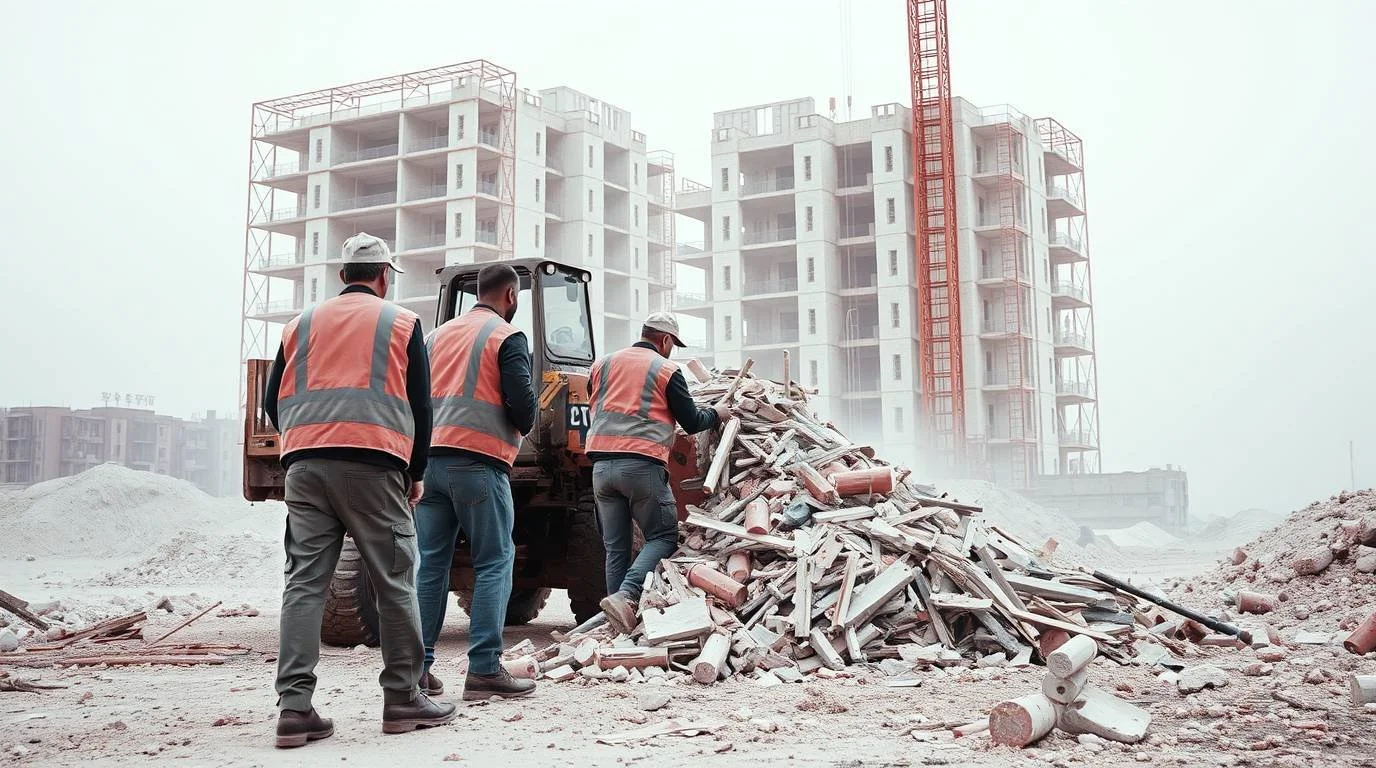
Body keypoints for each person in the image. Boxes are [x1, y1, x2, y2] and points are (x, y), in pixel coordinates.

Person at [264, 232, 456, 748]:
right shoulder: (400, 321)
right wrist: (416, 472)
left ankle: (294, 709)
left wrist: (305, 439)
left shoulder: (299, 324)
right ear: (384, 276)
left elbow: (270, 400)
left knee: (304, 584)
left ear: (343, 275)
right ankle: (401, 698)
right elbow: (421, 406)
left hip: (304, 466)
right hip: (373, 464)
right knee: (395, 580)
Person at [415, 263, 538, 701]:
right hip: (480, 463)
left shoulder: (436, 336)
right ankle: (484, 669)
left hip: (430, 464)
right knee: (493, 562)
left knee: (430, 566)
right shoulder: (507, 336)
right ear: (510, 295)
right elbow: (523, 405)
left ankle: (419, 670)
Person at [586, 312, 730, 633]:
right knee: (663, 536)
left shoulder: (603, 365)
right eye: (672, 345)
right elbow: (692, 421)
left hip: (600, 469)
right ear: (665, 340)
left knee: (616, 547)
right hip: (641, 465)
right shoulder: (666, 369)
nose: (672, 351)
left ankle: (616, 623)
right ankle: (627, 595)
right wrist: (717, 414)